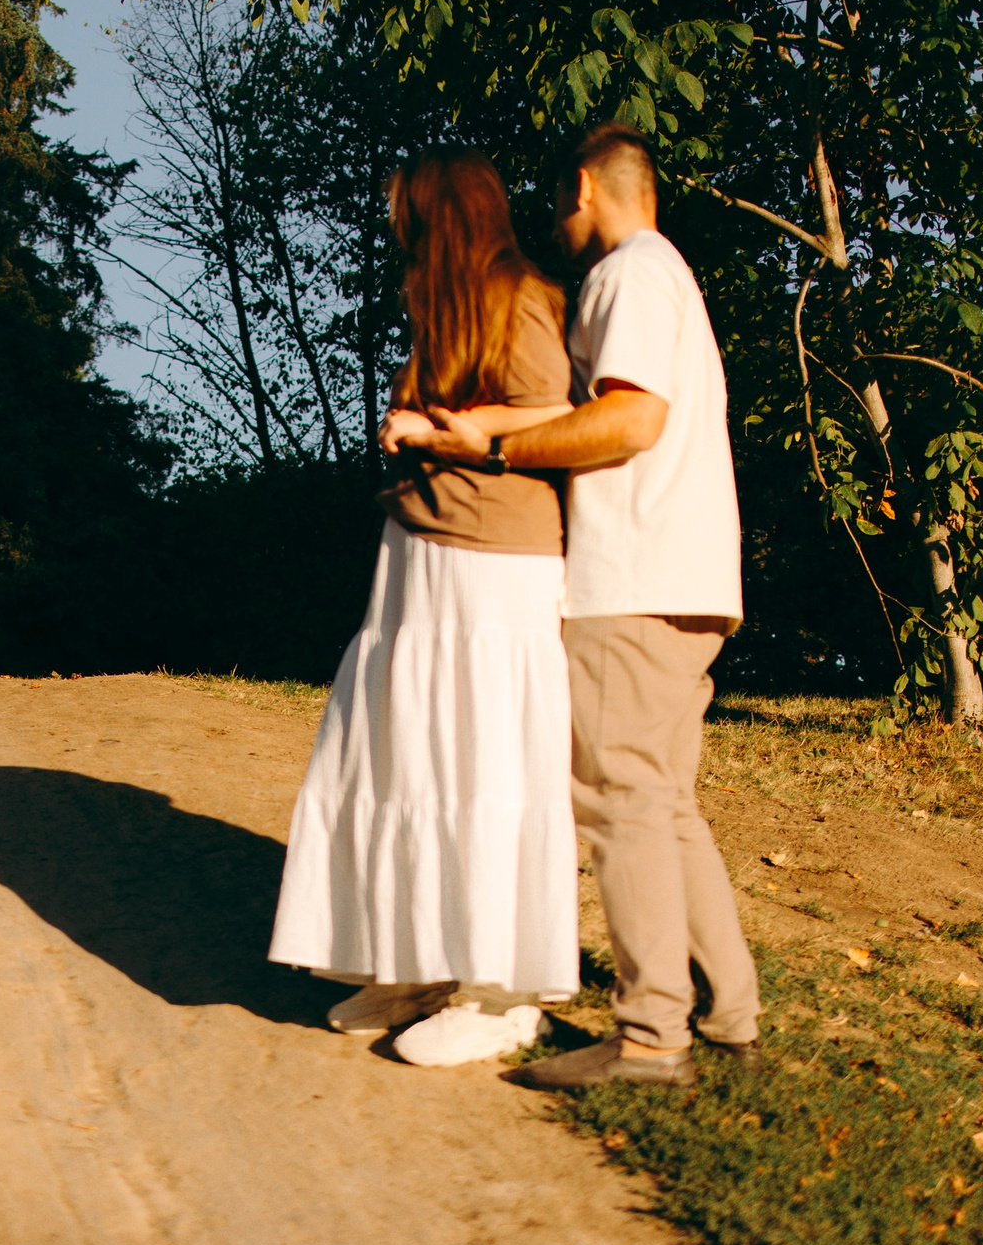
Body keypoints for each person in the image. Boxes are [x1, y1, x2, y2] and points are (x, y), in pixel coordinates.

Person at [400, 122, 759, 1089]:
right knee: (665, 798)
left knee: (617, 798)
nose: (553, 222)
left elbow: (631, 417)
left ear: (587, 190)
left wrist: (498, 450)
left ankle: (651, 1036)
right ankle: (730, 1010)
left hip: (634, 577)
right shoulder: (670, 274)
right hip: (693, 576)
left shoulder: (627, 275)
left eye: (558, 201)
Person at [267, 148, 581, 1068]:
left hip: (496, 561)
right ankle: (414, 961)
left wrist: (447, 432)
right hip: (420, 550)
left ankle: (502, 993)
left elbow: (550, 411)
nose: (393, 215)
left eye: (404, 203)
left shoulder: (520, 294)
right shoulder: (438, 299)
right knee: (406, 754)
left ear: (445, 209)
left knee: (481, 760)